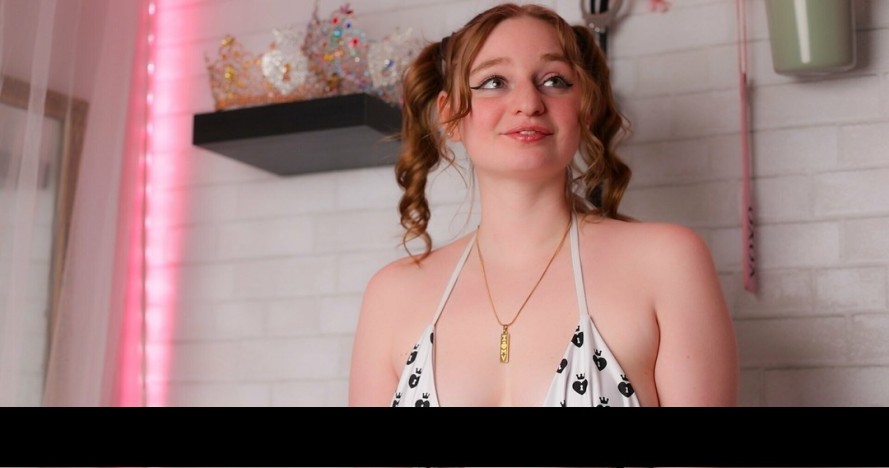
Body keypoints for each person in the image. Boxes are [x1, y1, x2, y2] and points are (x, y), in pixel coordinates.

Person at [349, 3, 738, 407]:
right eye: (494, 81)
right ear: (450, 116)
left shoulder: (667, 262)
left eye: (554, 80)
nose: (528, 103)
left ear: (584, 107)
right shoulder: (391, 296)